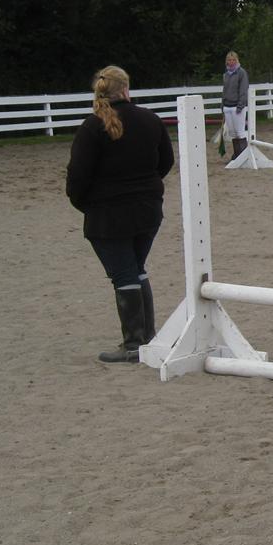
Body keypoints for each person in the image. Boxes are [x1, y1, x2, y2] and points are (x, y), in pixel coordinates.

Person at [66, 66, 174, 363]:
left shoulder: (92, 127)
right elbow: (166, 162)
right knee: (137, 268)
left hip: (108, 215)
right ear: (126, 90)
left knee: (125, 273)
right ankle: (146, 337)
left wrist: (86, 203)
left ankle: (134, 343)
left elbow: (77, 176)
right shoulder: (151, 120)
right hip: (148, 210)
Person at [221, 50, 249, 161]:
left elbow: (243, 89)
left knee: (240, 132)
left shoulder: (241, 73)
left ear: (236, 60)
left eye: (233, 60)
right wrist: (222, 105)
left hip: (237, 106)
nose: (231, 62)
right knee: (233, 133)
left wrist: (240, 105)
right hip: (227, 106)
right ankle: (237, 155)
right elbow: (224, 90)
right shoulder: (226, 74)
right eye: (229, 60)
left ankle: (243, 156)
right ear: (227, 61)